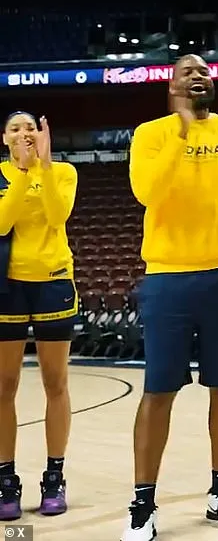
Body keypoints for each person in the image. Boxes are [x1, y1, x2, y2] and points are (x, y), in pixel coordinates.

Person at [120, 54, 218, 541]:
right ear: (172, 86)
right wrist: (179, 130)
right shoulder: (151, 134)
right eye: (187, 71)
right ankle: (143, 502)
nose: (199, 75)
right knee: (158, 392)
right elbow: (147, 193)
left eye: (205, 71)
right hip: (169, 277)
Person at [0, 112, 77, 520]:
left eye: (30, 127)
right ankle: (6, 480)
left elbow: (56, 215)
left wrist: (41, 168)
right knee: (4, 387)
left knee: (56, 383)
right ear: (4, 138)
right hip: (8, 288)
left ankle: (55, 476)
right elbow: (1, 222)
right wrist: (22, 173)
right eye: (15, 128)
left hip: (53, 281)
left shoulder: (62, 171)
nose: (24, 133)